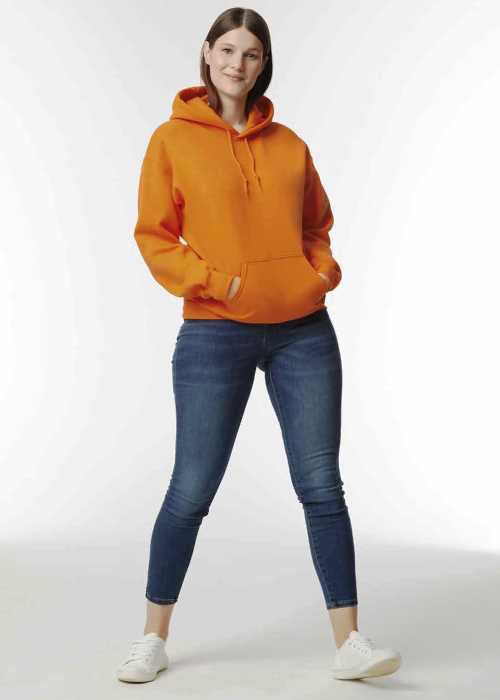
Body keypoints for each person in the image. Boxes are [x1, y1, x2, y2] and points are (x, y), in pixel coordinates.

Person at [117, 7, 402, 684]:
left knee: (321, 486)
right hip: (214, 332)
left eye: (250, 54)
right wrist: (220, 283)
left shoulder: (290, 145)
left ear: (263, 64)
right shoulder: (171, 140)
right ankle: (152, 638)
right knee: (191, 488)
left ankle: (350, 644)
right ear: (206, 53)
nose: (237, 64)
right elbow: (154, 236)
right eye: (227, 50)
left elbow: (317, 225)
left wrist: (319, 276)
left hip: (304, 332)